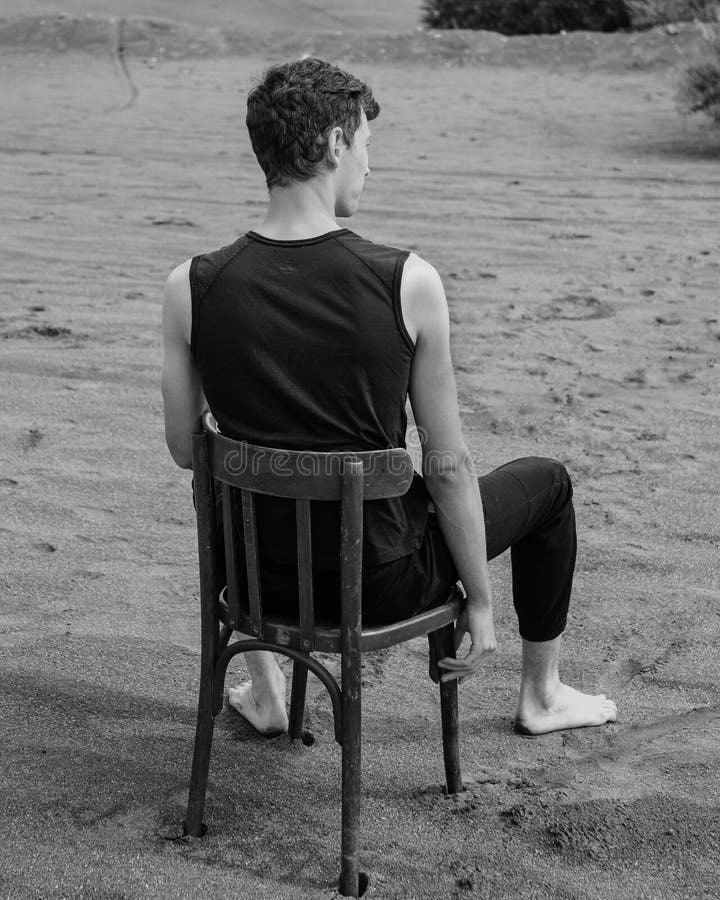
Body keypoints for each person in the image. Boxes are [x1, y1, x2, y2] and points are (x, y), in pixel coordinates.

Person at [161, 57, 616, 738]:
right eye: (366, 146)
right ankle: (542, 696)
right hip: (380, 583)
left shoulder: (189, 285)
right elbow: (450, 465)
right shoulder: (408, 281)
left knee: (231, 468)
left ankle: (266, 690)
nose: (370, 165)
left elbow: (185, 449)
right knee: (547, 486)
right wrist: (482, 603)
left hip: (256, 588)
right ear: (336, 144)